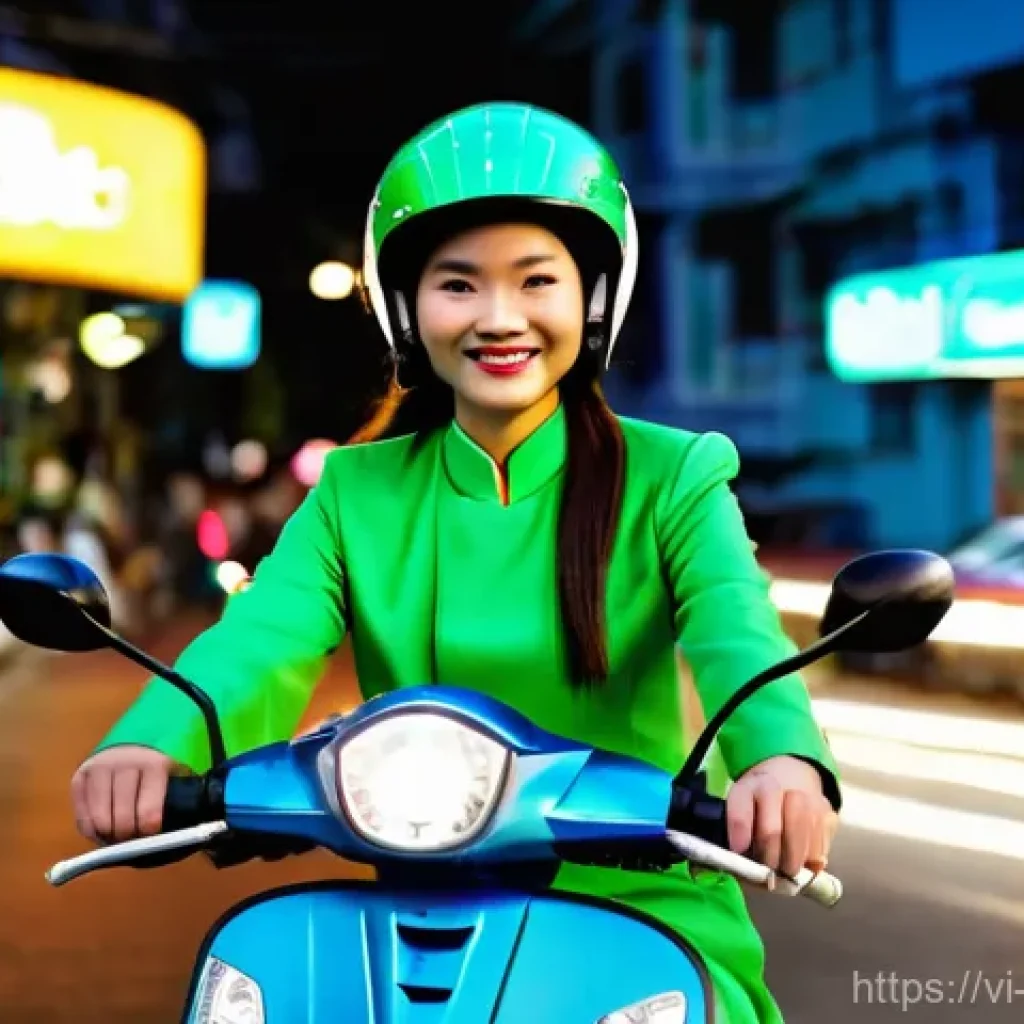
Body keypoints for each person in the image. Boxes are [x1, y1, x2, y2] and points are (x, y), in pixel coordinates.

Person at [71, 102, 840, 1023]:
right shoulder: (357, 492)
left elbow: (737, 631)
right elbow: (260, 640)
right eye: (459, 284)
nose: (500, 318)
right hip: (413, 904)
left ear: (593, 297)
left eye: (537, 280)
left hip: (641, 902)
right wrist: (152, 743)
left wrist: (782, 762)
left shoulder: (673, 475)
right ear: (407, 306)